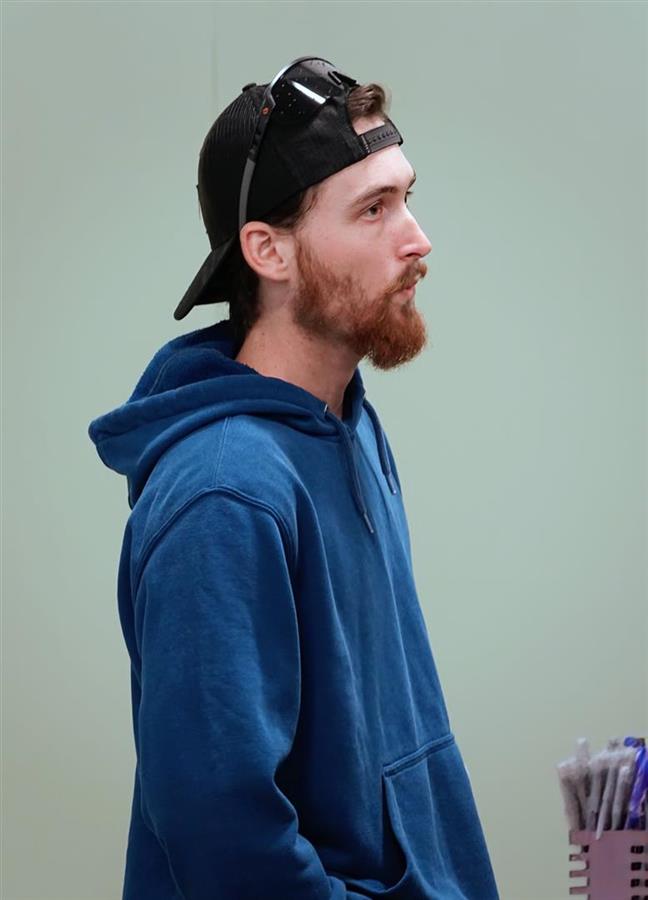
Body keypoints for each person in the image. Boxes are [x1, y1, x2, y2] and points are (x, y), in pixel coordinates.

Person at [88, 56, 500, 900]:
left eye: (407, 197)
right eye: (374, 209)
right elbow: (225, 839)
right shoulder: (224, 494)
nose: (417, 239)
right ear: (267, 250)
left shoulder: (348, 425)